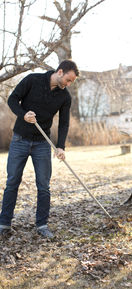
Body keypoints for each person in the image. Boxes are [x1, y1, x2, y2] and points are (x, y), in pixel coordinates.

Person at [0, 60, 79, 238]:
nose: (68, 84)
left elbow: (64, 123)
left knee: (43, 186)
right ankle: (4, 224)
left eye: (71, 82)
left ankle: (42, 225)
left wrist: (60, 146)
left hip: (42, 144)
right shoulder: (32, 80)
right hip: (20, 139)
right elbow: (13, 99)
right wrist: (23, 114)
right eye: (68, 80)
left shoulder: (64, 96)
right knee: (12, 181)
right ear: (60, 72)